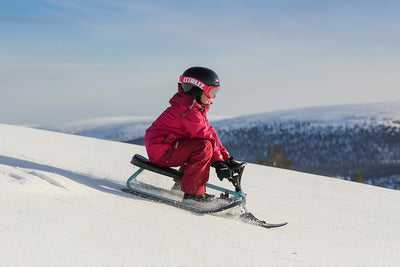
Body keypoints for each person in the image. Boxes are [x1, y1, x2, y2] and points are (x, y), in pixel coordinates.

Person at [144, 66, 242, 204]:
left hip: (168, 148)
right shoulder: (187, 110)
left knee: (201, 145)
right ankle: (193, 194)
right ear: (197, 90)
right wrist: (217, 161)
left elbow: (210, 133)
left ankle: (181, 185)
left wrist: (225, 158)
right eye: (211, 92)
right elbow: (205, 138)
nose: (213, 98)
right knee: (203, 147)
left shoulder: (195, 109)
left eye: (216, 92)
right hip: (162, 151)